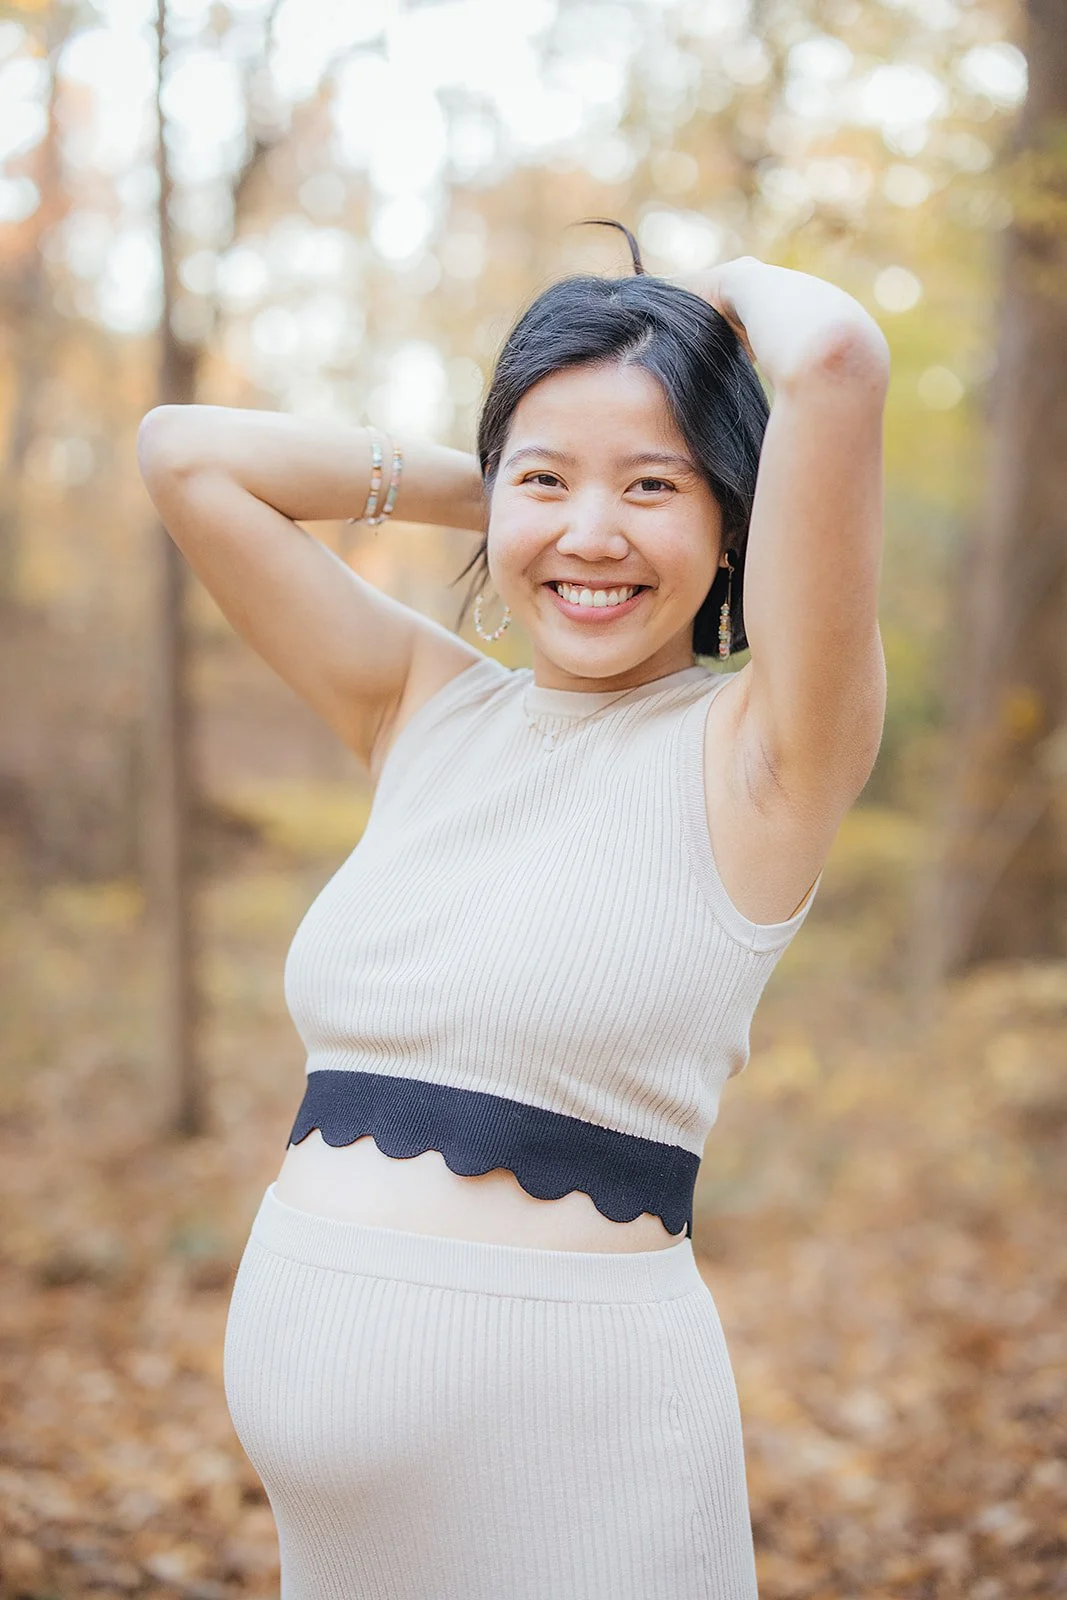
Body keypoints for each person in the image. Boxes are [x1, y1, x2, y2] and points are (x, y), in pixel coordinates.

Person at [136, 220, 888, 1599]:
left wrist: (707, 295)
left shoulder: (762, 759)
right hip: (345, 1539)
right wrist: (506, 487)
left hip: (581, 1485)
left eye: (653, 487)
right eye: (546, 483)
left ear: (731, 514)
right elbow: (185, 452)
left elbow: (835, 356)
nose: (591, 534)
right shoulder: (421, 708)